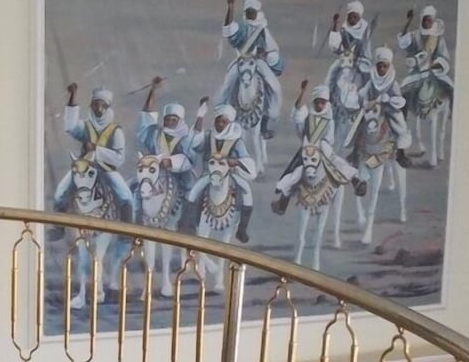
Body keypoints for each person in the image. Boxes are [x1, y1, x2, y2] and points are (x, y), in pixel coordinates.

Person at [272, 81, 367, 215]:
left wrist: (321, 146)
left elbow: (330, 139)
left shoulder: (329, 119)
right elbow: (298, 114)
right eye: (317, 102)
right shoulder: (307, 116)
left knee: (336, 162)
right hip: (307, 147)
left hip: (322, 147)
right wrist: (303, 92)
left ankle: (355, 180)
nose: (319, 105)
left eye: (322, 102)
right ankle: (283, 201)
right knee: (295, 171)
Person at [53, 84, 134, 223]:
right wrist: (73, 96)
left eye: (103, 106)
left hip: (106, 169)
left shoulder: (116, 131)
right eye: (96, 105)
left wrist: (97, 149)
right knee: (60, 191)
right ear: (92, 106)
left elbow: (119, 158)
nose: (99, 109)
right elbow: (71, 127)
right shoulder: (87, 126)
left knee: (126, 196)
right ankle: (58, 227)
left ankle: (127, 230)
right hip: (84, 167)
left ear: (108, 108)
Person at [182, 104, 257, 243]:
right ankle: (189, 224)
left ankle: (242, 229)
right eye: (218, 121)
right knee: (194, 191)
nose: (220, 124)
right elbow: (195, 143)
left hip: (229, 174)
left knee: (247, 191)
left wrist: (237, 162)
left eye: (224, 121)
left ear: (230, 123)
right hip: (209, 174)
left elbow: (246, 160)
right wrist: (200, 117)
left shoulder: (236, 141)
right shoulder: (208, 136)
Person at [219, 0, 283, 139]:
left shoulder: (262, 30)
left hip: (257, 63)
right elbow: (229, 29)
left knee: (274, 86)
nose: (250, 14)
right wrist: (230, 6)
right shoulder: (241, 27)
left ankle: (265, 122)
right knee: (227, 85)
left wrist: (265, 55)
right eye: (248, 12)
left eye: (252, 12)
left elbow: (272, 50)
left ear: (257, 12)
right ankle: (224, 115)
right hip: (241, 61)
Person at [136, 76, 203, 198]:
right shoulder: (155, 133)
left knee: (190, 188)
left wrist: (171, 162)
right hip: (154, 172)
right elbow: (147, 116)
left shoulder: (185, 138)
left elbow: (190, 159)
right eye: (167, 119)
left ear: (180, 121)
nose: (169, 122)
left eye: (173, 120)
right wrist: (153, 90)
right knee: (135, 189)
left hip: (180, 175)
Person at [357, 47, 412, 168]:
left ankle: (400, 153)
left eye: (385, 66)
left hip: (389, 109)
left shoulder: (393, 83)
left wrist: (388, 99)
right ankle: (356, 150)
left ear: (389, 66)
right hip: (373, 109)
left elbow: (399, 99)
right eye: (380, 66)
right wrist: (365, 101)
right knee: (359, 124)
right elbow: (363, 92)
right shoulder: (372, 81)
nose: (382, 69)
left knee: (399, 124)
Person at [397, 5, 455, 110]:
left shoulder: (438, 38)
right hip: (417, 72)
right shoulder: (415, 35)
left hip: (435, 72)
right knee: (403, 91)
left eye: (429, 20)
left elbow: (444, 57)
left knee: (450, 87)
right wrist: (408, 22)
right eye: (425, 20)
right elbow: (404, 43)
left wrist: (435, 65)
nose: (427, 22)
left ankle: (452, 112)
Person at [328, 0, 373, 73]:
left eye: (355, 17)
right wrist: (335, 25)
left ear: (359, 17)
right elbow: (334, 47)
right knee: (332, 72)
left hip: (361, 61)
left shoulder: (365, 29)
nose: (352, 19)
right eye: (350, 16)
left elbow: (366, 50)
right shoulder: (343, 28)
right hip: (344, 60)